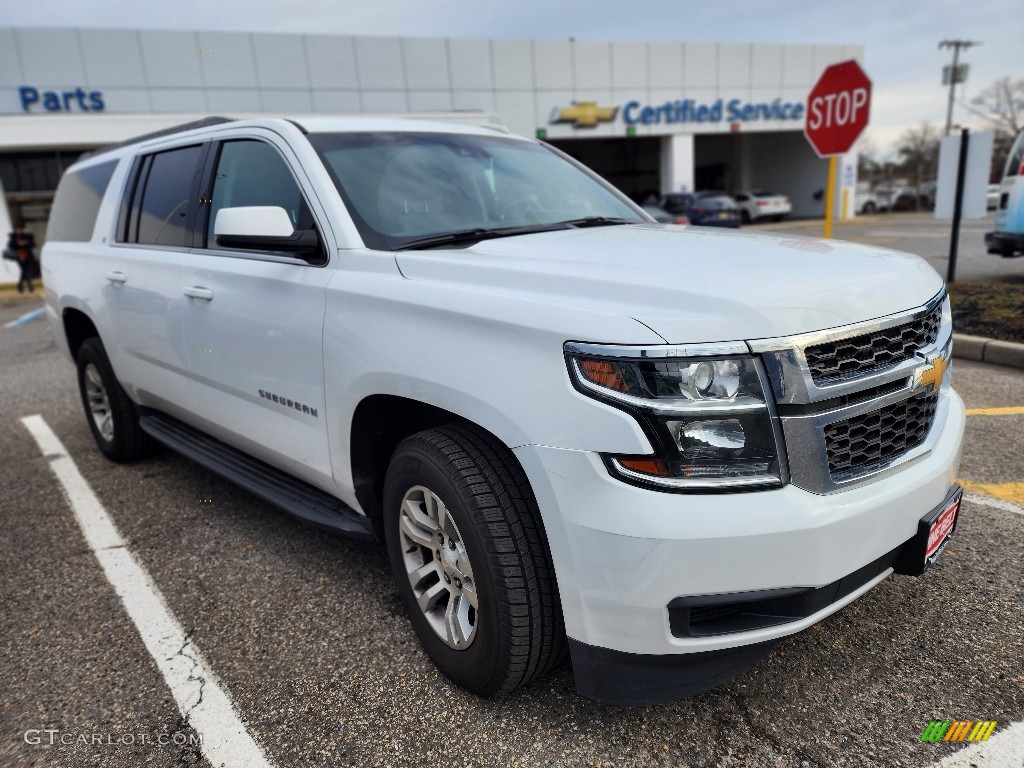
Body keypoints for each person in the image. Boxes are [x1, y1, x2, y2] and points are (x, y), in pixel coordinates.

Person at [5, 225, 38, 293]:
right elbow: (11, 245)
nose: (18, 231)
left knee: (27, 270)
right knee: (24, 270)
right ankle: (26, 285)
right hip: (20, 256)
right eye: (17, 230)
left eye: (19, 229)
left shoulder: (27, 236)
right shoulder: (13, 237)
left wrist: (25, 243)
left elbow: (32, 244)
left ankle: (24, 285)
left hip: (28, 255)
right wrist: (18, 244)